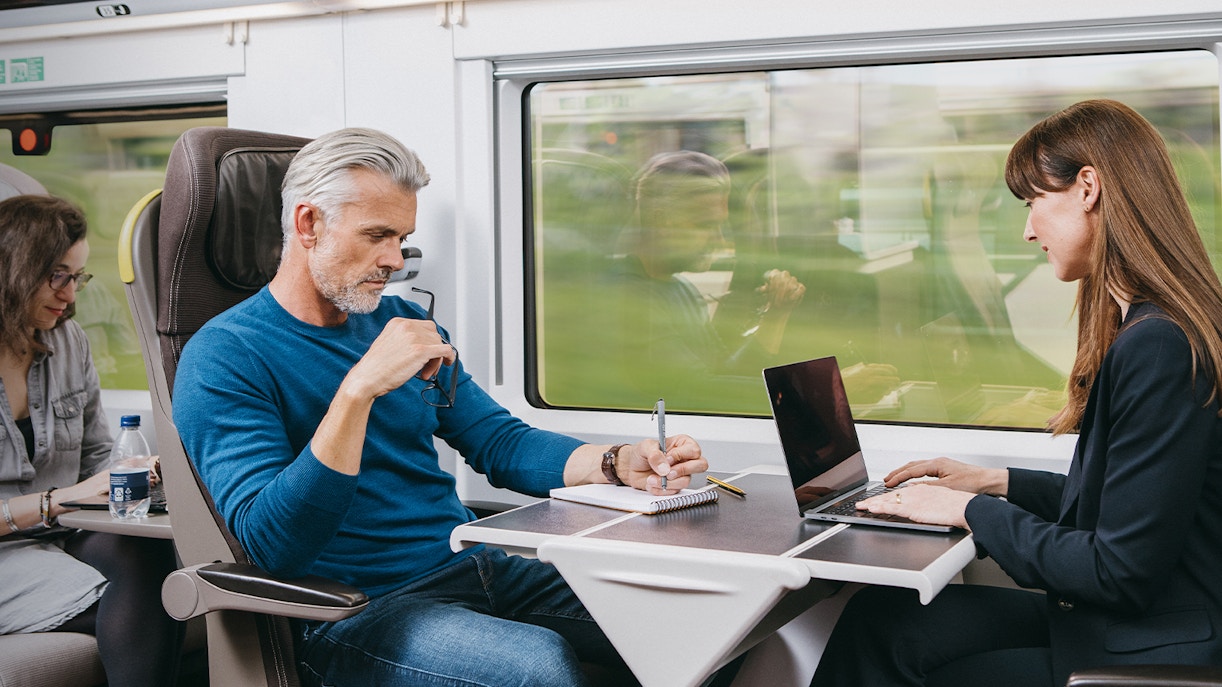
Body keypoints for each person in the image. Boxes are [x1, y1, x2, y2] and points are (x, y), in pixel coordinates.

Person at [171, 127, 708, 687]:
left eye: (402, 238)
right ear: (309, 224)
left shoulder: (401, 323)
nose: (394, 260)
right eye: (377, 235)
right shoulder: (226, 354)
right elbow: (274, 544)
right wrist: (358, 392)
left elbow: (499, 443)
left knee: (692, 625)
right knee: (536, 666)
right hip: (353, 609)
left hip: (469, 567)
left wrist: (618, 462)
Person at [811, 99, 1222, 686]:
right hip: (1127, 623)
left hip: (1145, 648)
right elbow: (1130, 507)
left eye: (1034, 203)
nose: (1028, 230)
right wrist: (995, 482)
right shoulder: (1154, 328)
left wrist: (968, 512)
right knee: (886, 621)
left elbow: (1118, 569)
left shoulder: (1157, 346)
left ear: (1088, 188)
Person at [0, 194, 182, 685]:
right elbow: (69, 493)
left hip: (58, 531)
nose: (70, 294)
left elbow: (96, 455)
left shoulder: (66, 340)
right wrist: (60, 500)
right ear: (11, 271)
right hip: (6, 554)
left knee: (159, 563)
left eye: (77, 276)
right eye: (57, 275)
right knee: (156, 603)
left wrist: (142, 473)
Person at [606, 150, 806, 411]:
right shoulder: (629, 299)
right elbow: (704, 393)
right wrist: (808, 390)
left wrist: (776, 315)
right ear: (661, 219)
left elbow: (724, 372)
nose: (720, 239)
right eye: (705, 225)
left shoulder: (681, 289)